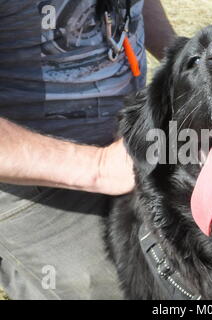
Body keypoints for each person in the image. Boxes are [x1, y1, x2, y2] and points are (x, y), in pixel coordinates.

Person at [0, 0, 176, 299]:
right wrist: (98, 167)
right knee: (141, 284)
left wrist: (182, 57)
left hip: (124, 149)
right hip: (27, 178)